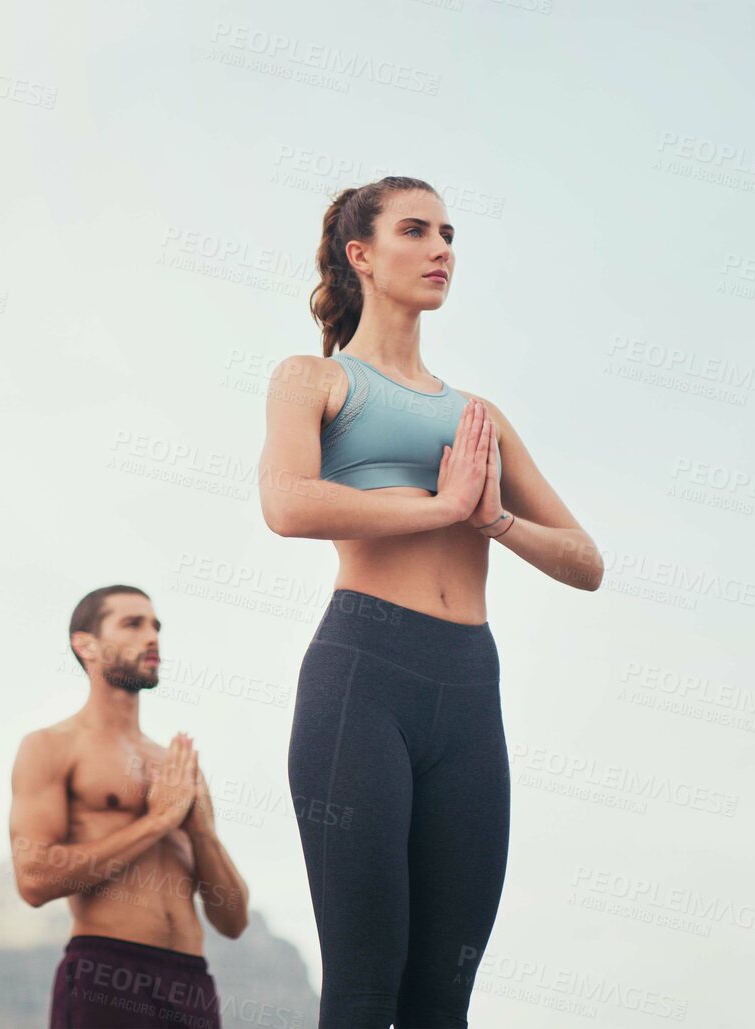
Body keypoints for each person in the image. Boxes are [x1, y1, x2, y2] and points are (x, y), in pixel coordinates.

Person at [257, 176, 604, 1027]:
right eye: (415, 230)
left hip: (468, 692)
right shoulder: (312, 379)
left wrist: (493, 520)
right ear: (360, 254)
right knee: (361, 989)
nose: (441, 248)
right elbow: (286, 504)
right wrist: (439, 507)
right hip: (362, 679)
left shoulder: (479, 415)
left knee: (441, 1003)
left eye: (448, 234)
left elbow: (584, 561)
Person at [10, 585, 250, 1029]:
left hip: (190, 983)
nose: (152, 636)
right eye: (132, 624)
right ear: (86, 645)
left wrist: (201, 832)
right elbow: (34, 880)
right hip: (106, 973)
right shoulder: (51, 746)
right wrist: (158, 821)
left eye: (156, 626)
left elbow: (233, 921)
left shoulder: (176, 766)